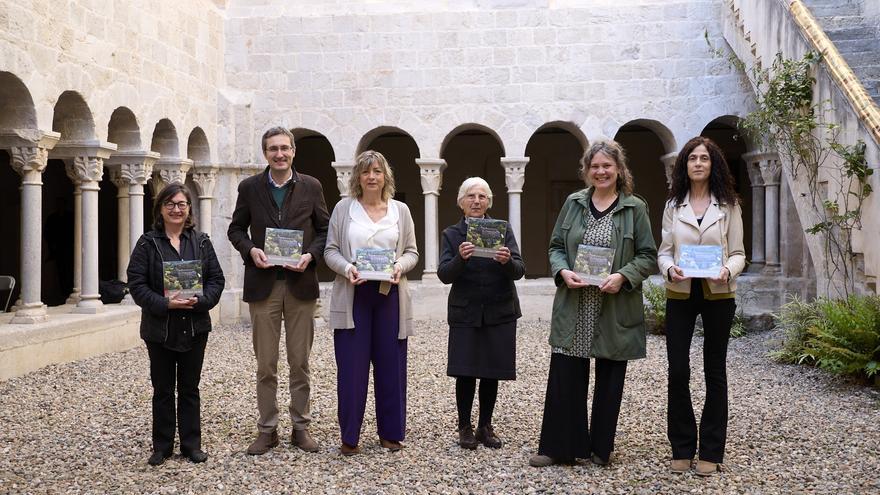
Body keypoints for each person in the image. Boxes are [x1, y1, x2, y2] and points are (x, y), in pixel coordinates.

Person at [529, 139, 657, 468]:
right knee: (566, 376)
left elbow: (647, 256)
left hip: (613, 305)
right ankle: (561, 447)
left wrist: (624, 276)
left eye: (607, 166)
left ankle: (601, 447)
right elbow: (556, 246)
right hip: (575, 303)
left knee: (609, 380)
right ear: (587, 171)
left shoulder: (634, 208)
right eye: (595, 166)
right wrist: (562, 270)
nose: (601, 171)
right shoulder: (573, 204)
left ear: (618, 170)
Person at [227, 126, 330, 455]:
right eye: (273, 149)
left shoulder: (311, 186)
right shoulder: (250, 187)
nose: (280, 154)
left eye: (285, 148)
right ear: (265, 153)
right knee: (266, 364)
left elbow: (325, 229)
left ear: (294, 151)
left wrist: (310, 255)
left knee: (300, 362)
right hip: (264, 285)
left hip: (300, 284)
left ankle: (301, 427)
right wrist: (250, 251)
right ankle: (267, 429)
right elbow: (235, 229)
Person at [657, 136, 745, 476]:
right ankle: (681, 447)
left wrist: (727, 270)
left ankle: (711, 450)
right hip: (680, 292)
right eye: (692, 158)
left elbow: (739, 253)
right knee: (677, 370)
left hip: (718, 294)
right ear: (684, 165)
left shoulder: (728, 205)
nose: (697, 163)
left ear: (713, 165)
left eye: (704, 158)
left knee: (715, 371)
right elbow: (664, 250)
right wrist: (668, 268)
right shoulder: (673, 205)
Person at [324, 150, 419, 455]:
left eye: (377, 171)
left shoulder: (400, 211)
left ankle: (390, 433)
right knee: (352, 369)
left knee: (391, 366)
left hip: (389, 295)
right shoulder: (344, 209)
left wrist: (398, 267)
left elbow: (412, 253)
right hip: (354, 295)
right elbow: (331, 251)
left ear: (385, 176)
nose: (372, 177)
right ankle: (350, 436)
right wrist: (347, 268)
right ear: (358, 177)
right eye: (366, 172)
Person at [127, 183, 225, 466]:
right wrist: (165, 303)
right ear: (160, 208)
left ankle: (191, 445)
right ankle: (162, 446)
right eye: (170, 204)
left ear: (189, 209)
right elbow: (136, 284)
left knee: (190, 388)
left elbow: (217, 280)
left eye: (181, 204)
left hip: (195, 327)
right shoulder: (148, 243)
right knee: (163, 389)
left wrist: (203, 300)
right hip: (160, 329)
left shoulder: (202, 241)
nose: (176, 209)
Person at [437, 177, 525, 450]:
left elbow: (520, 270)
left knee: (491, 370)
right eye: (471, 196)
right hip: (466, 311)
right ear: (461, 203)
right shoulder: (452, 234)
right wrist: (459, 259)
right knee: (465, 370)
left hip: (499, 309)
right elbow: (443, 275)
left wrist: (507, 260)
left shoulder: (503, 229)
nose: (476, 201)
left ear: (489, 202)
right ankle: (465, 426)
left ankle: (485, 425)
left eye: (482, 197)